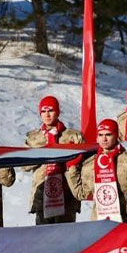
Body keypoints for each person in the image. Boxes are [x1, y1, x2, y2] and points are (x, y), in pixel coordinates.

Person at [66, 119, 127, 222]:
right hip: (99, 222)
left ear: (116, 135)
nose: (104, 139)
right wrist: (72, 168)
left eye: (108, 135)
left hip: (125, 219)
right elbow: (80, 194)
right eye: (100, 135)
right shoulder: (90, 164)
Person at [24, 96, 85, 229]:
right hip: (42, 196)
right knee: (43, 239)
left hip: (67, 195)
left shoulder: (73, 136)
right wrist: (43, 151)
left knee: (66, 238)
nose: (47, 114)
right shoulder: (33, 138)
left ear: (58, 112)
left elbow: (84, 163)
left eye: (51, 110)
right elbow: (24, 166)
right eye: (43, 111)